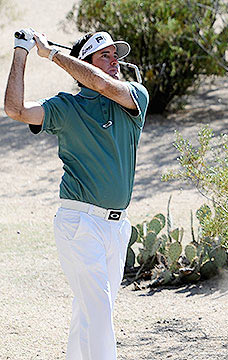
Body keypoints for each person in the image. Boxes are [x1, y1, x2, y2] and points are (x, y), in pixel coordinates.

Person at [4, 28, 149, 360]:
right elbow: (15, 110)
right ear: (83, 63)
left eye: (116, 55)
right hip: (78, 223)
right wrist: (21, 52)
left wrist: (52, 54)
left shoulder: (134, 95)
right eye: (104, 56)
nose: (114, 62)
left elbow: (101, 84)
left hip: (117, 227)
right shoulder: (65, 107)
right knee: (98, 311)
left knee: (89, 312)